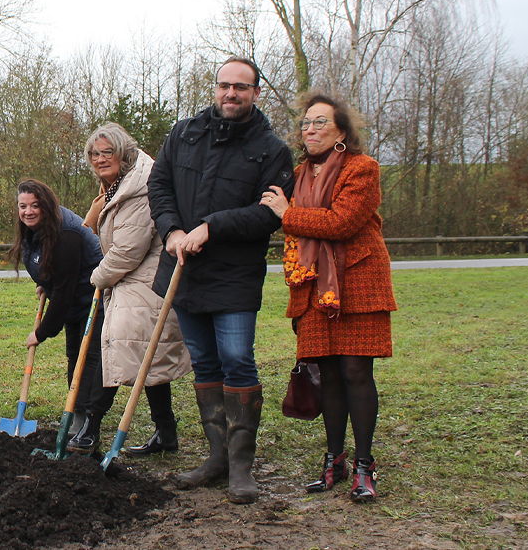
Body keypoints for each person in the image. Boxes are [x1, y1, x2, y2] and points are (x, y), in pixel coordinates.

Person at [149, 56, 294, 504]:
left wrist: (212, 225)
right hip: (185, 272)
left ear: (256, 93)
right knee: (205, 365)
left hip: (234, 276)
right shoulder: (184, 133)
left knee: (236, 360)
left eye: (242, 87)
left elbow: (269, 214)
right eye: (224, 85)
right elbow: (160, 184)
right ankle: (216, 459)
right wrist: (172, 229)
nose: (231, 93)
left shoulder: (272, 150)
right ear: (215, 88)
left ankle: (241, 467)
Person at [259, 92, 396, 503]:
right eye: (306, 123)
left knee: (356, 372)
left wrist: (288, 215)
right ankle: (334, 459)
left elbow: (342, 222)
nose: (310, 129)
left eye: (320, 122)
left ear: (341, 131)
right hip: (314, 285)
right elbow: (303, 232)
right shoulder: (299, 175)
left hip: (358, 282)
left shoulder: (362, 169)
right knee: (330, 374)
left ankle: (365, 465)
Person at [81, 124, 192, 457]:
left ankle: (90, 427)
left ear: (124, 152)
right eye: (93, 154)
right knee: (146, 354)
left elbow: (128, 249)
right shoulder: (118, 185)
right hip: (137, 281)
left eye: (106, 152)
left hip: (146, 282)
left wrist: (97, 277)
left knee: (116, 346)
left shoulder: (140, 187)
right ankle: (166, 433)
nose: (100, 159)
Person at [6, 178, 112, 453]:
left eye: (34, 206)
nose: (28, 211)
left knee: (88, 359)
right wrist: (45, 282)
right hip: (73, 298)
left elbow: (64, 294)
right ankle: (76, 415)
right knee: (74, 356)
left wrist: (40, 333)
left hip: (93, 300)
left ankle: (86, 423)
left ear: (47, 206)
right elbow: (50, 267)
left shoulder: (67, 234)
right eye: (22, 206)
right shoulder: (33, 230)